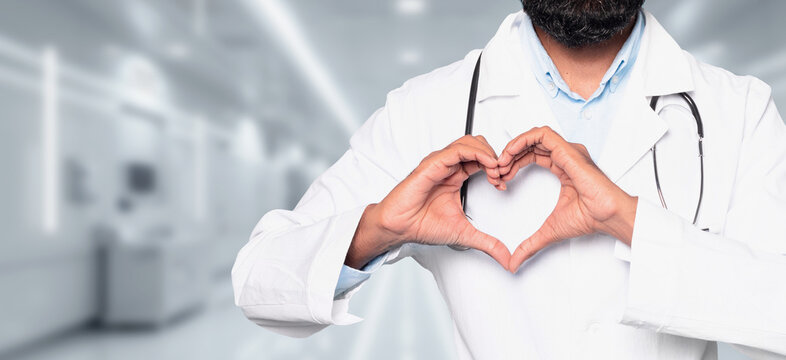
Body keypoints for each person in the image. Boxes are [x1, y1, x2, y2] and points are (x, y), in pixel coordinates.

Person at [231, 0, 786, 358]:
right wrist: (376, 230)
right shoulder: (425, 110)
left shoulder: (736, 110)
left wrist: (631, 222)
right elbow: (259, 279)